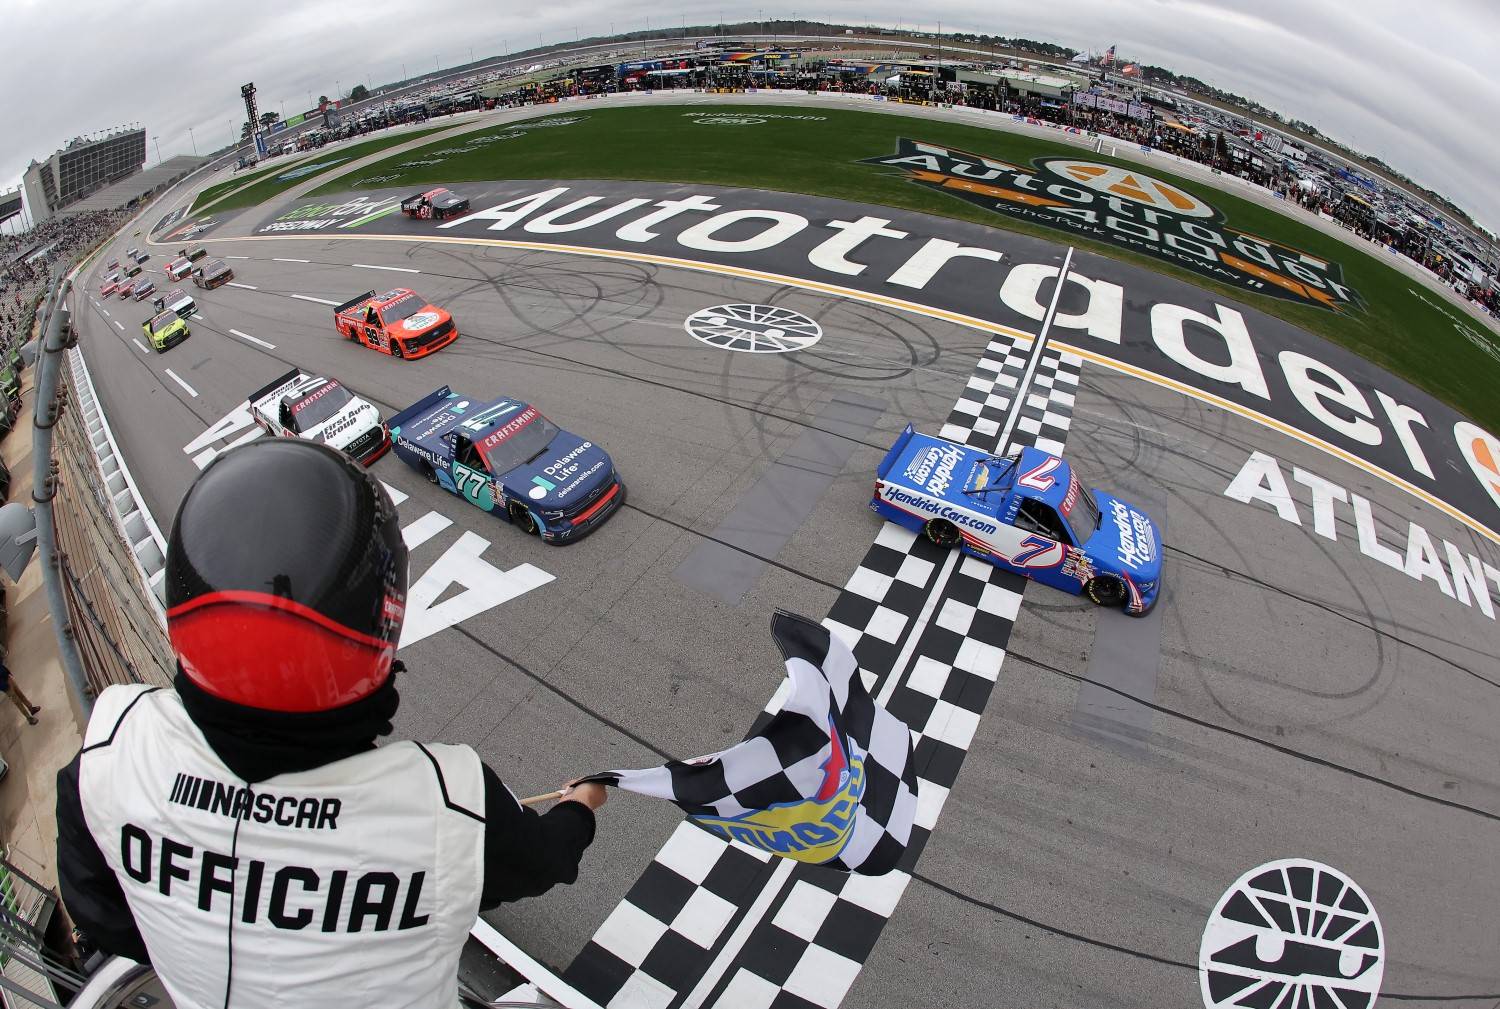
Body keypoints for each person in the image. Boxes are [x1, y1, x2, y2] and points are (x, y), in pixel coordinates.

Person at [55, 439, 604, 1008]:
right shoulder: (448, 799)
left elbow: (107, 921)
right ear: (380, 615)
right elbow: (544, 862)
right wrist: (581, 804)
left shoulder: (107, 751)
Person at [0, 657, 40, 725]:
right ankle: (29, 718)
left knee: (21, 695)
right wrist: (4, 686)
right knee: (18, 703)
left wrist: (8, 673)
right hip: (5, 686)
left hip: (8, 678)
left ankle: (31, 709)